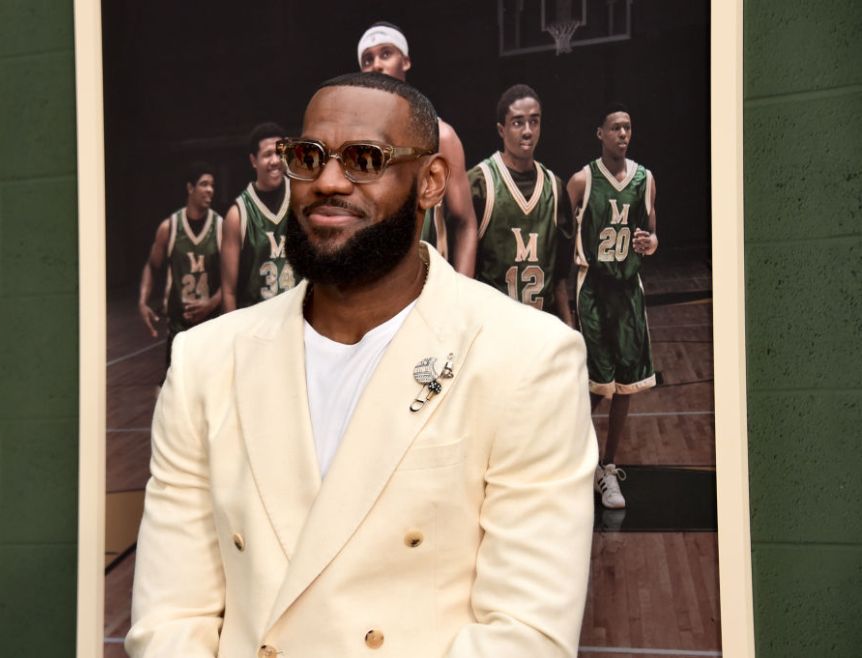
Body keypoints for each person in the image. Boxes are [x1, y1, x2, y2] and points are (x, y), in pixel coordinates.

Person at [127, 72, 596, 658]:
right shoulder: (205, 361)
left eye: (364, 159)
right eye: (309, 157)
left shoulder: (528, 358)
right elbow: (170, 616)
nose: (327, 181)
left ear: (429, 183)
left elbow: (525, 635)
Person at [567, 103, 658, 510]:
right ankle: (573, 461)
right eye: (615, 128)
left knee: (626, 385)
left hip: (628, 290)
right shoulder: (582, 180)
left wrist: (650, 244)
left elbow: (652, 233)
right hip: (594, 289)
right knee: (596, 385)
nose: (623, 134)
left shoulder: (645, 179)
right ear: (599, 133)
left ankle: (608, 466)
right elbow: (562, 237)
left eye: (628, 127)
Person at [358, 21, 478, 277]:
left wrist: (460, 297)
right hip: (371, 289)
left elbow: (466, 223)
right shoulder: (355, 141)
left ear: (406, 61)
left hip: (427, 289)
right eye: (367, 59)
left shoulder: (440, 135)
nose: (376, 64)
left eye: (386, 53)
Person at [469, 84, 575, 324]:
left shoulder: (555, 188)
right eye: (518, 122)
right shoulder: (480, 183)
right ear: (501, 129)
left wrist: (570, 329)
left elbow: (558, 279)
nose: (527, 131)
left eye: (534, 122)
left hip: (540, 331)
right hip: (494, 331)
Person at [138, 163, 223, 370]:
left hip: (211, 327)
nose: (210, 189)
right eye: (204, 184)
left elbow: (231, 280)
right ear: (190, 188)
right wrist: (143, 301)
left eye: (212, 185)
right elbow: (151, 265)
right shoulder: (169, 228)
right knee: (172, 394)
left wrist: (210, 304)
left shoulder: (221, 226)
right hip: (178, 329)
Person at [220, 122, 297, 311]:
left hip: (298, 317)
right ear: (253, 161)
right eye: (267, 154)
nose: (275, 160)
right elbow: (228, 291)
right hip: (257, 323)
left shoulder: (301, 196)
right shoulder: (237, 214)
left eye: (279, 153)